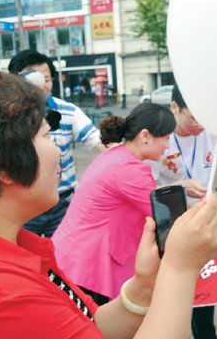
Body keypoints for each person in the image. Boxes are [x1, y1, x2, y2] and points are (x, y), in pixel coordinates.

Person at [0, 71, 217, 338]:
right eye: (46, 136)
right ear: (5, 168)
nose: (59, 150)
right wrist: (179, 267)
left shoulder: (12, 248)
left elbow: (90, 323)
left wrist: (143, 287)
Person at [52, 103, 175, 304]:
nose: (168, 146)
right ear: (145, 135)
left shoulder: (116, 157)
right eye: (167, 138)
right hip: (88, 264)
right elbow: (166, 216)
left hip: (74, 257)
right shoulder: (131, 169)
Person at [147, 83, 217, 339]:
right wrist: (181, 186)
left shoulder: (213, 131)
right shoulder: (159, 137)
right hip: (172, 231)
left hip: (205, 224)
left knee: (205, 301)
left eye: (204, 118)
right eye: (193, 118)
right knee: (171, 304)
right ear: (175, 107)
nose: (200, 125)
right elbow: (148, 189)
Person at [8, 49, 107, 237]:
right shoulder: (8, 117)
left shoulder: (68, 111)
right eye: (34, 79)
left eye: (47, 79)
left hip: (64, 204)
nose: (42, 86)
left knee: (63, 261)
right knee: (28, 261)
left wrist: (123, 156)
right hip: (25, 206)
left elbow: (96, 139)